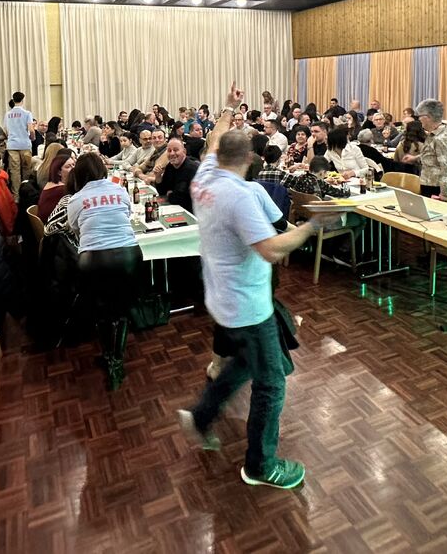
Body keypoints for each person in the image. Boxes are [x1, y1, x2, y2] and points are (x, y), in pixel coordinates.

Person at [178, 84, 328, 490]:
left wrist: (228, 108)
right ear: (248, 159)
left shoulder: (204, 175)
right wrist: (310, 227)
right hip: (247, 304)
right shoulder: (240, 195)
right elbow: (270, 249)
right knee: (271, 382)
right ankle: (261, 465)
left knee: (244, 363)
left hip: (220, 297)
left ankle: (201, 416)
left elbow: (213, 137)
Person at [63, 153, 142, 389]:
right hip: (129, 254)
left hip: (94, 258)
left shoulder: (76, 199)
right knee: (122, 308)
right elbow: (127, 215)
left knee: (101, 310)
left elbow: (75, 229)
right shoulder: (119, 190)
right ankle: (117, 359)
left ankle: (109, 355)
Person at [414, 99, 447, 198]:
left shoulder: (440, 138)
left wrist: (444, 195)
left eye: (420, 116)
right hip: (430, 183)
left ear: (428, 117)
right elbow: (432, 156)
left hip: (436, 188)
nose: (419, 119)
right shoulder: (434, 134)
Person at [3, 91, 35, 198]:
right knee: (26, 169)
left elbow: (6, 130)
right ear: (22, 100)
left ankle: (16, 195)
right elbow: (31, 129)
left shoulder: (8, 114)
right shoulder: (27, 113)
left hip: (12, 145)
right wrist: (32, 138)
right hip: (25, 144)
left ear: (13, 100)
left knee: (14, 171)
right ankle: (26, 193)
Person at [156, 138, 199, 211]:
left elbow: (183, 199)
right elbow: (162, 192)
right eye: (169, 151)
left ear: (184, 151)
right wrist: (158, 177)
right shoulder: (170, 166)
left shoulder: (192, 169)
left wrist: (170, 195)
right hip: (174, 208)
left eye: (175, 150)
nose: (172, 153)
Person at [37, 153, 75, 222]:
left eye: (73, 164)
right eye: (68, 167)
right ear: (59, 172)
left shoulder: (52, 184)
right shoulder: (61, 190)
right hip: (52, 225)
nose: (73, 168)